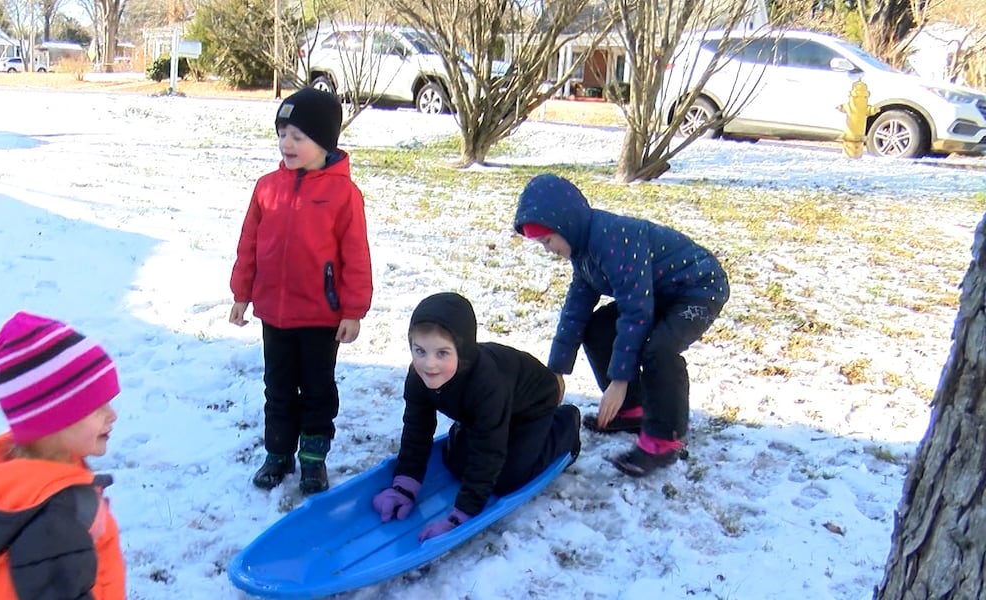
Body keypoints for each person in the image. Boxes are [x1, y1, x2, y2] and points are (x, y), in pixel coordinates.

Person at [512, 173, 729, 477]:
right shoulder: (584, 252)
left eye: (547, 240)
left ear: (566, 225)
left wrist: (619, 380)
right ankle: (633, 409)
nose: (548, 250)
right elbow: (576, 311)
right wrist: (556, 372)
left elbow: (636, 313)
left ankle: (665, 438)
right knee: (597, 325)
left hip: (698, 289)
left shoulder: (614, 241)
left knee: (659, 349)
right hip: (658, 292)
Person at [229, 87, 373, 495]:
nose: (286, 144)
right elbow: (249, 243)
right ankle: (277, 453)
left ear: (324, 142)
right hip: (274, 313)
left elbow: (356, 255)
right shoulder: (266, 187)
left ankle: (313, 458)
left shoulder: (344, 194)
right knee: (277, 387)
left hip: (320, 316)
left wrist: (352, 310)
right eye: (282, 133)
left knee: (317, 389)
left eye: (298, 136)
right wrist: (242, 293)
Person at [0, 311, 125, 599]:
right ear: (53, 421)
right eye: (97, 407)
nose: (112, 415)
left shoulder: (8, 486)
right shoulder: (54, 522)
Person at [371, 292, 581, 541]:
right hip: (489, 413)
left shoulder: (486, 384)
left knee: (507, 480)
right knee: (455, 463)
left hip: (531, 405)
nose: (429, 364)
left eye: (442, 353)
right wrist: (403, 486)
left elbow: (489, 450)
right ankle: (470, 430)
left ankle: (565, 424)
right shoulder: (418, 377)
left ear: (463, 351)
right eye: (420, 351)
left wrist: (460, 516)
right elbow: (417, 428)